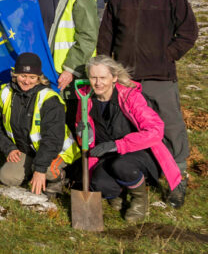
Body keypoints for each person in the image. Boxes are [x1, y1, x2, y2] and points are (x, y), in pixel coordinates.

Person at [97, 0, 198, 208]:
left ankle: (178, 178)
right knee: (129, 126)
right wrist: (107, 67)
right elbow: (106, 34)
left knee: (171, 125)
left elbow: (188, 32)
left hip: (160, 76)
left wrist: (167, 55)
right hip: (125, 79)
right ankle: (135, 174)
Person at [79, 56, 184, 222]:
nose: (98, 83)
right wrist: (84, 133)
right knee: (99, 184)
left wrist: (117, 145)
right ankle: (120, 192)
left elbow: (156, 130)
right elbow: (85, 131)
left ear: (114, 77)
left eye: (103, 78)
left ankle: (139, 200)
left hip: (140, 154)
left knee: (121, 165)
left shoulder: (130, 97)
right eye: (93, 77)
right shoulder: (86, 98)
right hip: (108, 154)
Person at [0, 53, 80, 196]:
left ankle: (58, 178)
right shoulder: (4, 94)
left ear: (39, 78)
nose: (27, 81)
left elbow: (53, 139)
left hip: (57, 150)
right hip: (27, 150)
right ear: (15, 75)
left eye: (32, 77)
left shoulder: (49, 99)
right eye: (23, 76)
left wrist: (40, 169)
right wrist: (9, 148)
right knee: (6, 177)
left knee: (49, 170)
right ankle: (31, 170)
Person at [35, 0, 98, 94]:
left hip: (70, 74)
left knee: (68, 117)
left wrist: (70, 69)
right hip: (42, 72)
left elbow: (88, 37)